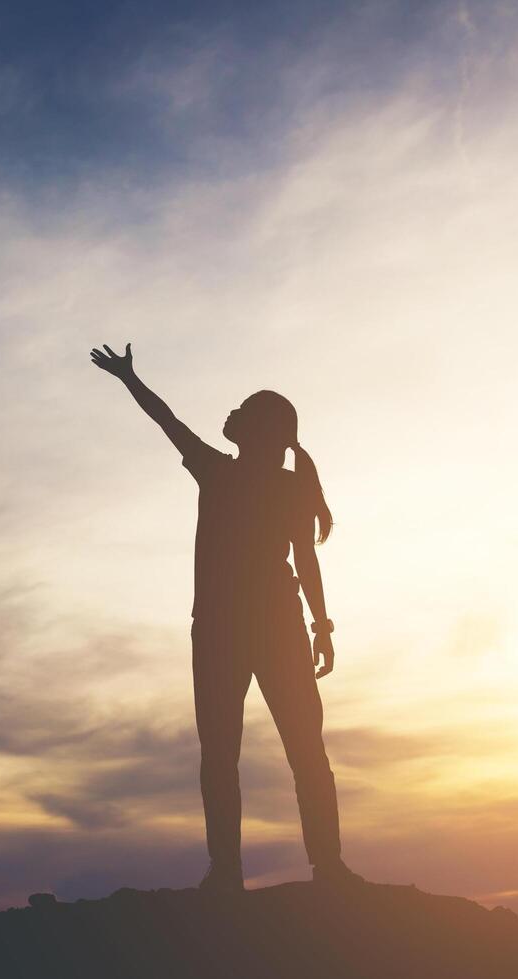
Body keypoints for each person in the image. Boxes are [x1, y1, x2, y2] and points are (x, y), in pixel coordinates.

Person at [90, 342, 364, 892]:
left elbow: (167, 420)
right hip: (253, 627)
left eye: (242, 410)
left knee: (240, 753)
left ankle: (255, 871)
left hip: (231, 629)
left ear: (261, 430)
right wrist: (322, 626)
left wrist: (129, 379)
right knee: (285, 751)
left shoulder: (226, 473)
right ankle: (297, 868)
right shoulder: (255, 479)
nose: (231, 414)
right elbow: (306, 562)